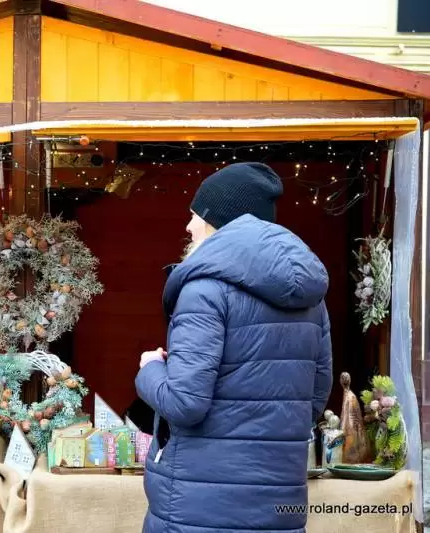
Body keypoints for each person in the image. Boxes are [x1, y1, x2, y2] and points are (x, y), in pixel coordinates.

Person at [135, 162, 333, 533]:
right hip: (279, 509)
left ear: (217, 222)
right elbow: (314, 400)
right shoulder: (312, 300)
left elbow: (184, 403)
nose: (188, 226)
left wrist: (150, 369)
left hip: (198, 511)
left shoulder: (204, 290)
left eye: (195, 215)